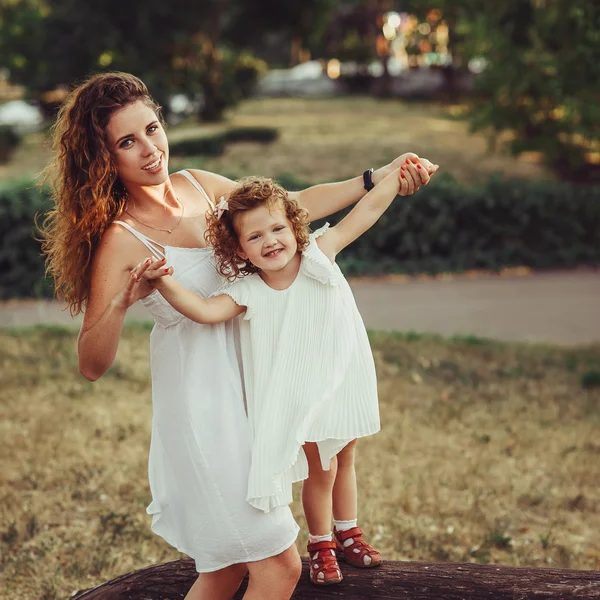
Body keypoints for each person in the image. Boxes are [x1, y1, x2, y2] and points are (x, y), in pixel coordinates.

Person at [40, 71, 438, 600]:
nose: (149, 149)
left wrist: (377, 177)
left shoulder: (200, 186)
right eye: (127, 142)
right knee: (278, 565)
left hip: (257, 394)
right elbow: (91, 363)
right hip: (204, 410)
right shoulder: (122, 238)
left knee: (228, 570)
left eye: (152, 129)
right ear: (103, 157)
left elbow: (292, 206)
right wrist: (118, 304)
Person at [134, 168, 420, 586]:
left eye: (278, 228)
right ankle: (321, 543)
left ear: (295, 226)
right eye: (255, 237)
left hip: (339, 379)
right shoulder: (248, 291)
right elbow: (202, 310)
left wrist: (397, 174)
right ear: (240, 250)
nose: (270, 241)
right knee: (320, 468)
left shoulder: (319, 255)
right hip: (297, 394)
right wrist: (163, 283)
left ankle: (349, 530)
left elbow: (366, 212)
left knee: (345, 458)